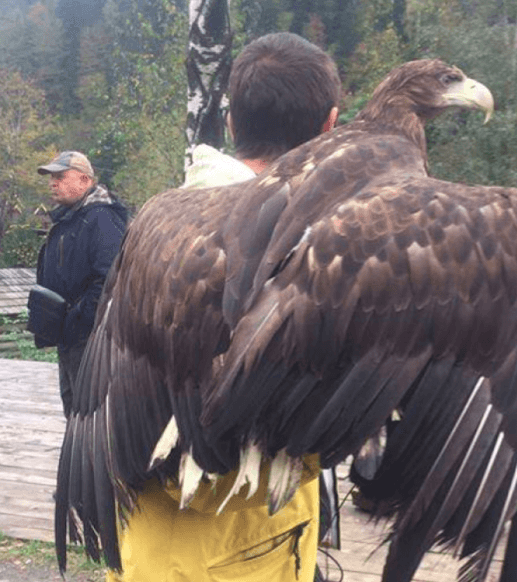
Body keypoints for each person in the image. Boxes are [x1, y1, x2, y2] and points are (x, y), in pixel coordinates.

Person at [107, 32, 341, 582]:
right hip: (224, 548)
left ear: (232, 123)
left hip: (172, 543)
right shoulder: (316, 254)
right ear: (330, 126)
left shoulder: (159, 230)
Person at [32, 151, 128, 415]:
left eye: (61, 176)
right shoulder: (70, 217)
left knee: (91, 411)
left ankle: (96, 459)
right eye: (51, 177)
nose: (53, 183)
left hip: (90, 336)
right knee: (74, 405)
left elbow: (110, 278)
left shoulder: (102, 218)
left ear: (85, 180)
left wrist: (79, 319)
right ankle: (80, 457)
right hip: (70, 334)